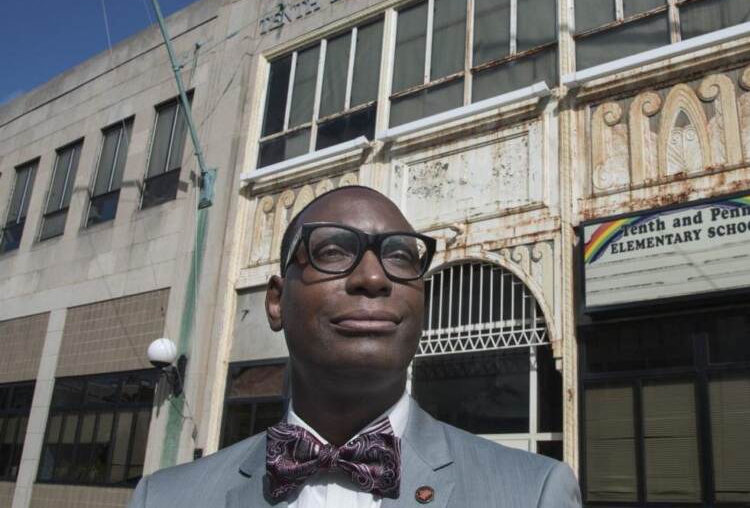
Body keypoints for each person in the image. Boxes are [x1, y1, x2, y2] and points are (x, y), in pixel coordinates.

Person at [130, 185, 581, 507]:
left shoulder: (534, 493)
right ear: (275, 302)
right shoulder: (164, 498)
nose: (373, 277)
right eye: (332, 251)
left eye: (401, 256)